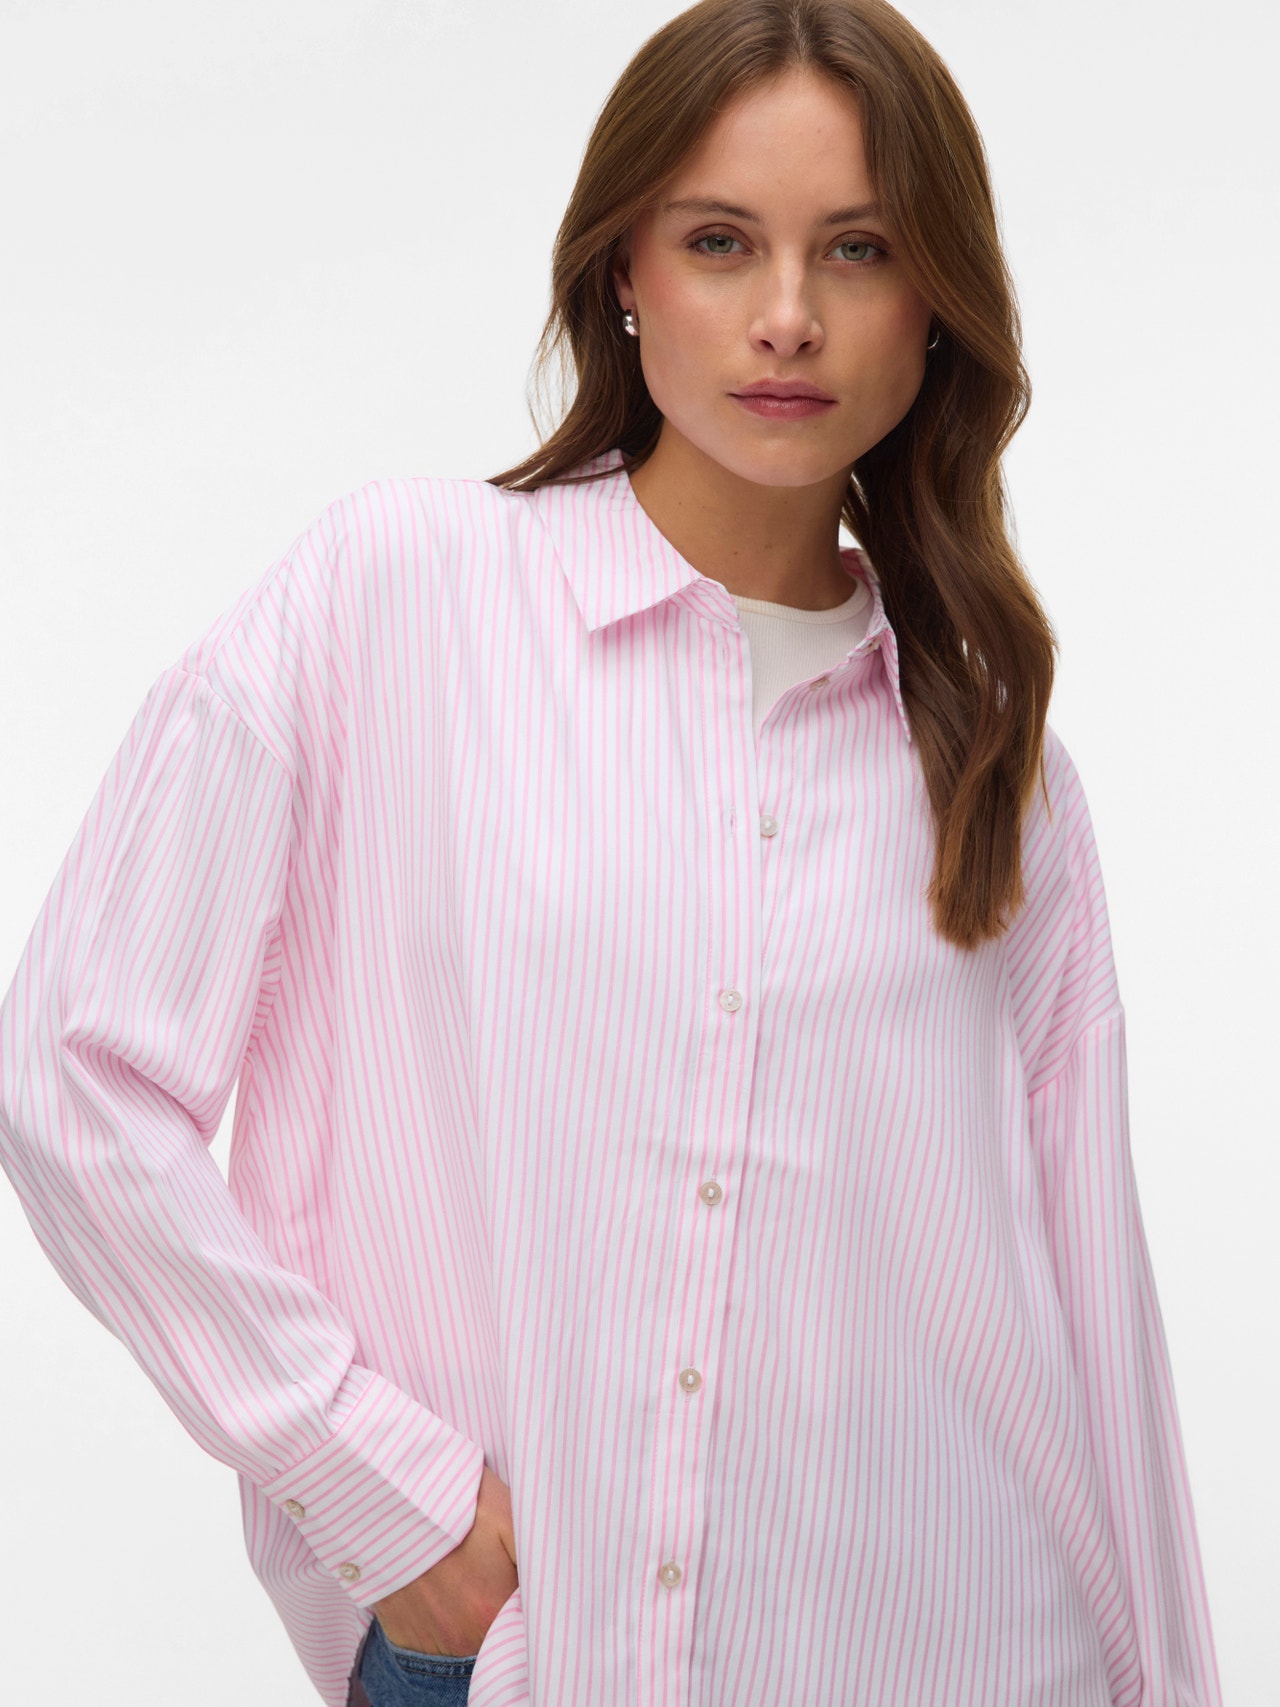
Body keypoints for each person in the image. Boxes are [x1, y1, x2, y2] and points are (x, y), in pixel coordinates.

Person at [0, 0, 1223, 1703]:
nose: (788, 316)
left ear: (934, 303)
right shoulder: (392, 603)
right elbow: (75, 1074)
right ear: (625, 271)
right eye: (722, 242)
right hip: (522, 1654)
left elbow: (1095, 1317)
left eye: (859, 250)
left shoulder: (999, 774)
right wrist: (380, 1491)